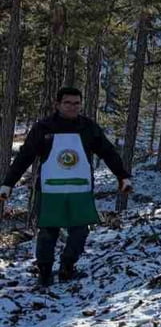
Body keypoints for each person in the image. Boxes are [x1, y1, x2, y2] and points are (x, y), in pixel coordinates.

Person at [0, 86, 133, 287]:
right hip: (49, 189)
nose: (72, 107)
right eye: (68, 103)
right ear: (58, 104)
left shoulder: (88, 128)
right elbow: (25, 156)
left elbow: (108, 152)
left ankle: (67, 267)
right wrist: (8, 183)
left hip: (80, 189)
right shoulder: (43, 128)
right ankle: (44, 273)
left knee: (80, 231)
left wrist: (123, 176)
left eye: (76, 103)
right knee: (47, 232)